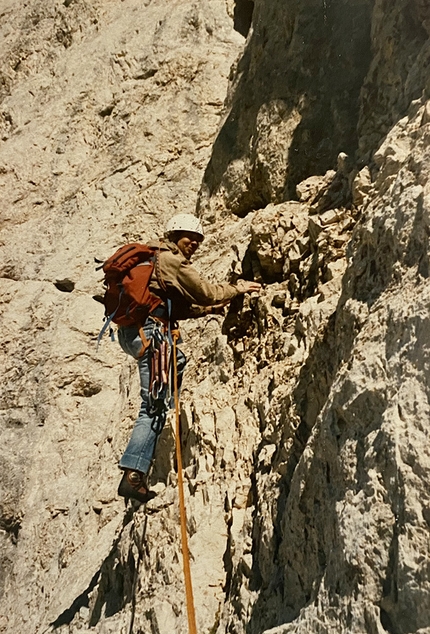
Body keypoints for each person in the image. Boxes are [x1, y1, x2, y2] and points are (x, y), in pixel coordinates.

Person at [117, 213, 261, 503]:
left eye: (198, 241)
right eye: (189, 238)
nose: (193, 244)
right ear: (174, 234)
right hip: (153, 334)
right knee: (153, 408)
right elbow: (206, 292)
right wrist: (237, 289)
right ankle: (134, 475)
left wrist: (209, 312)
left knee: (177, 363)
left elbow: (171, 307)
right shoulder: (171, 260)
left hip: (137, 333)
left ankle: (166, 404)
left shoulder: (152, 259)